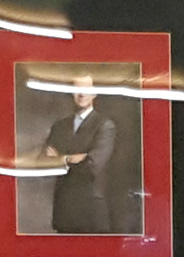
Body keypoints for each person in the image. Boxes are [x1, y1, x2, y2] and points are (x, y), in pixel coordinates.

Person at [29, 71, 136, 234]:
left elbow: (93, 166)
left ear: (95, 93)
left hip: (91, 211)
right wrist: (72, 158)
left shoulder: (105, 125)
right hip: (64, 211)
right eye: (76, 88)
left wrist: (60, 159)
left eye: (86, 89)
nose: (81, 94)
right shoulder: (59, 127)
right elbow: (41, 164)